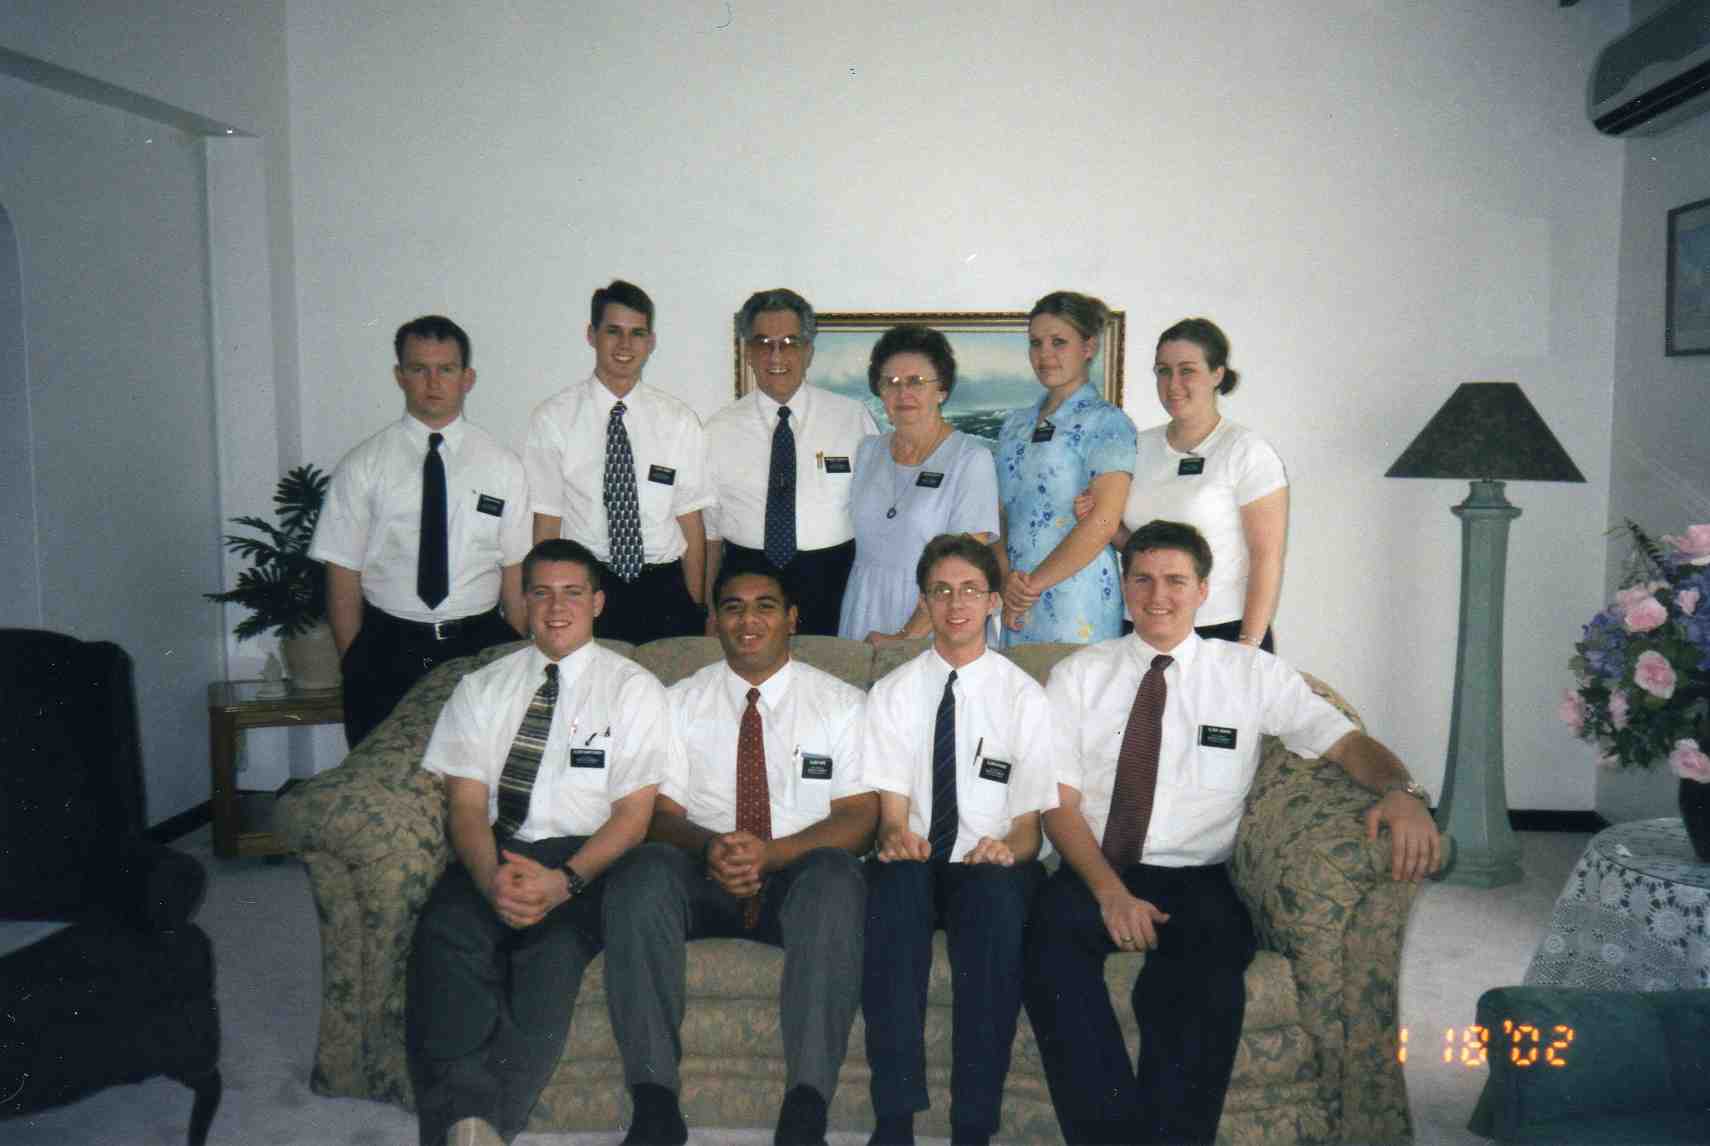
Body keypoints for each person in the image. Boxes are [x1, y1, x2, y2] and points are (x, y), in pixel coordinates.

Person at [1023, 520, 1441, 1146]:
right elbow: (1058, 804)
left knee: (1206, 985)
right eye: (1142, 579)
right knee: (1048, 958)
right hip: (1094, 867)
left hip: (1197, 876)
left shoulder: (1250, 674)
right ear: (1123, 586)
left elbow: (1345, 743)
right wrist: (1109, 891)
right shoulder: (1079, 676)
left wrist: (1400, 792)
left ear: (1203, 591)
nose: (1157, 595)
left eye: (1175, 581)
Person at [601, 555, 876, 1146]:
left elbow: (860, 818)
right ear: (715, 623)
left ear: (792, 619)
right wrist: (714, 848)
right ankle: (654, 1105)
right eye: (733, 608)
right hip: (706, 873)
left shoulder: (841, 704)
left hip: (797, 876)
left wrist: (773, 855)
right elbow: (662, 815)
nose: (748, 621)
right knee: (640, 872)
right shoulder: (676, 702)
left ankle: (805, 1107)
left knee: (836, 875)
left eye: (765, 606)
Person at [404, 539, 672, 1146]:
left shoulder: (634, 689)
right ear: (522, 602)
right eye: (542, 593)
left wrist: (564, 882)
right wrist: (488, 877)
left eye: (573, 592)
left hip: (585, 861)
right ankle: (464, 1123)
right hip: (496, 851)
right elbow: (467, 805)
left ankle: (490, 1121)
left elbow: (633, 817)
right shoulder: (482, 686)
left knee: (547, 962)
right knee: (447, 936)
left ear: (598, 602)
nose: (557, 607)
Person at [860, 534, 1056, 1146]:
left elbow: (1028, 828)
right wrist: (895, 837)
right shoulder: (893, 693)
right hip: (917, 858)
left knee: (996, 905)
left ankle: (972, 1124)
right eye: (941, 591)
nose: (956, 603)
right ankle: (894, 1119)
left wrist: (1006, 849)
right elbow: (891, 814)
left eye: (970, 589)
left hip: (990, 861)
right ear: (925, 600)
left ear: (993, 601)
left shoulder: (1024, 696)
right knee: (892, 893)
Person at [311, 315, 529, 749]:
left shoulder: (502, 466)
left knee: (480, 779)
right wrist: (355, 660)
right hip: (388, 648)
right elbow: (342, 576)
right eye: (418, 368)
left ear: (467, 378)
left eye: (446, 369)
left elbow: (515, 571)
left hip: (478, 646)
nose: (433, 382)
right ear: (399, 376)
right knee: (382, 780)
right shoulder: (363, 466)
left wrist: (516, 653)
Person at [525, 280, 711, 645]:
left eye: (637, 333)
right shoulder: (554, 419)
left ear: (650, 342)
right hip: (589, 591)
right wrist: (542, 608)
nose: (625, 345)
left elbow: (691, 524)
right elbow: (547, 523)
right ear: (592, 335)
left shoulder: (678, 421)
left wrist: (696, 604)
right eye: (613, 332)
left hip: (666, 590)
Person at [1094, 318, 1287, 650]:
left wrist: (1249, 645)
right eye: (1163, 371)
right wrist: (1105, 523)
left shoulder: (1246, 451)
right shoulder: (1137, 447)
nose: (1173, 384)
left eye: (1187, 370)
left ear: (1217, 374)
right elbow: (1141, 547)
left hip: (1221, 630)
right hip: (1144, 626)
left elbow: (1266, 558)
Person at [703, 288, 879, 636]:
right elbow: (709, 532)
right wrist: (708, 608)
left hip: (833, 580)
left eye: (789, 342)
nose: (776, 354)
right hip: (746, 581)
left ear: (809, 351)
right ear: (748, 352)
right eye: (763, 342)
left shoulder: (852, 418)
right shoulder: (716, 430)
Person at [839, 325, 999, 644]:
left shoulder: (971, 459)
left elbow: (963, 570)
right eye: (891, 382)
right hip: (865, 608)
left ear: (942, 390)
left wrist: (904, 638)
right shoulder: (867, 451)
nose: (903, 393)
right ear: (879, 390)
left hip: (938, 619)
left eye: (916, 382)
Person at [996, 291, 1135, 646]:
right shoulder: (1014, 425)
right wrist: (1006, 579)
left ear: (1088, 347)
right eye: (1036, 343)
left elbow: (1103, 521)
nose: (1044, 355)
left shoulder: (1107, 422)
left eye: (1059, 342)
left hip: (1077, 599)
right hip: (1014, 595)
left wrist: (1031, 586)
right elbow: (999, 516)